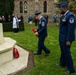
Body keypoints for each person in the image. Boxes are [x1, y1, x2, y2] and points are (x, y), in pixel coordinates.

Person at [57, 1, 76, 74]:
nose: (60, 10)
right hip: (62, 37)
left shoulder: (70, 16)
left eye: (60, 9)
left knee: (67, 53)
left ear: (63, 8)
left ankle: (71, 69)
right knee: (63, 51)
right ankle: (62, 63)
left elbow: (71, 29)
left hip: (66, 39)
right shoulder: (65, 15)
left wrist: (68, 40)